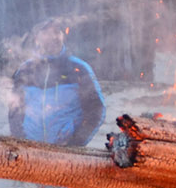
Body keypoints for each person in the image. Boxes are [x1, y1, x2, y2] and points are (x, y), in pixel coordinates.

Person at [7, 17, 105, 147]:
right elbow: (14, 110)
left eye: (57, 32)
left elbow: (96, 109)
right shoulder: (25, 70)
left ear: (63, 36)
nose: (53, 37)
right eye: (46, 32)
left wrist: (76, 143)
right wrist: (21, 140)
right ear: (36, 38)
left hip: (67, 153)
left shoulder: (79, 68)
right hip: (30, 151)